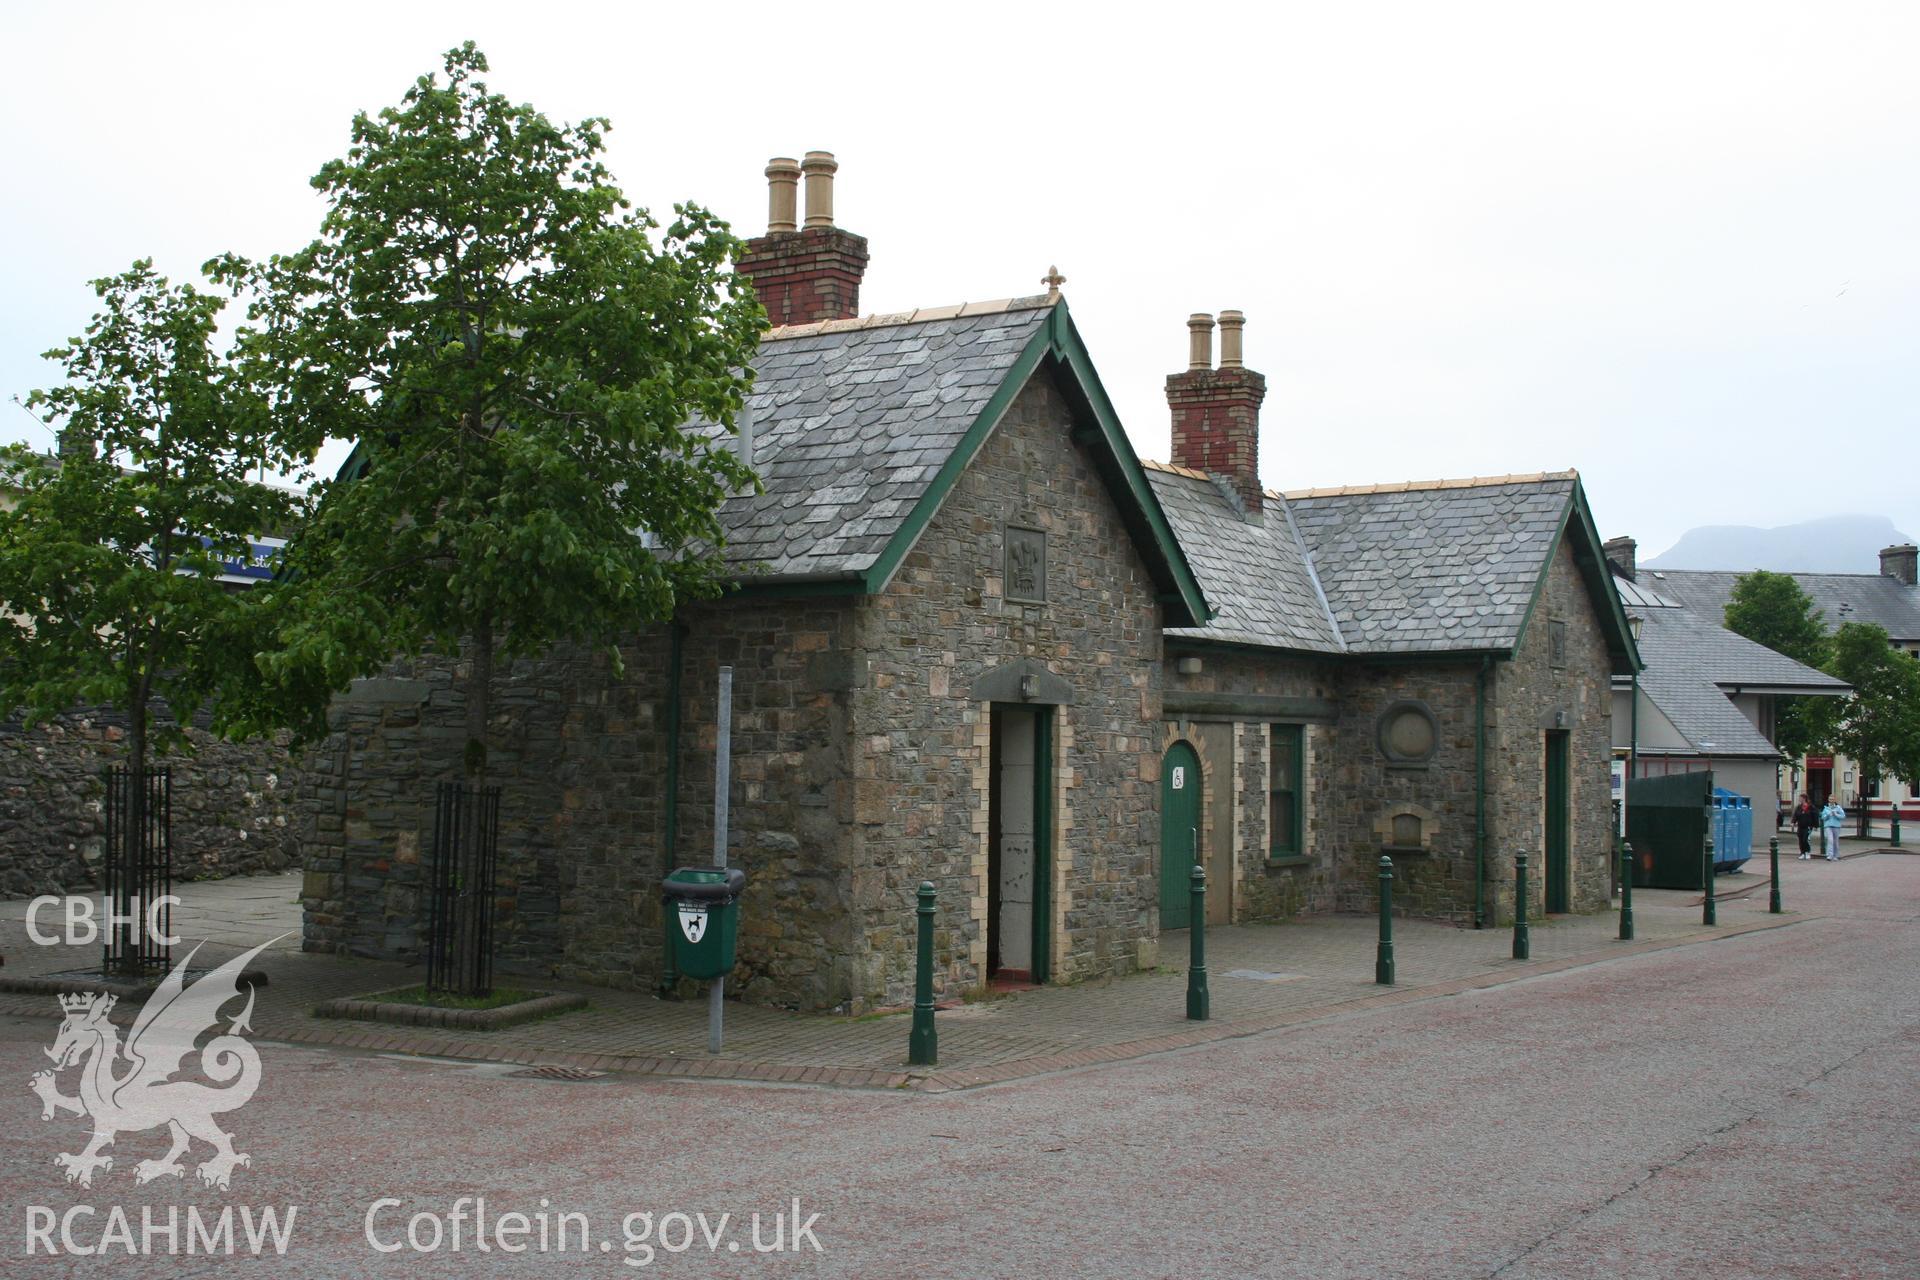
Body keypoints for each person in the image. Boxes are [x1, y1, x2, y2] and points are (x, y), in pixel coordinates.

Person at [1820, 796, 1847, 861]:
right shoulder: (1826, 808)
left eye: (1832, 799)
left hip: (1836, 826)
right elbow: (1822, 817)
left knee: (1835, 841)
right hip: (1828, 826)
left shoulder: (1838, 808)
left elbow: (1843, 816)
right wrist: (1828, 815)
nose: (1831, 800)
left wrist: (1836, 814)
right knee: (1830, 840)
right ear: (1828, 800)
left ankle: (1836, 855)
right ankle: (1829, 855)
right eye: (1830, 799)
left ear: (1835, 800)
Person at [1792, 794, 1817, 859]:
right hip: (1800, 826)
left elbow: (1814, 816)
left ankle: (1807, 852)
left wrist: (1815, 825)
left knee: (1805, 839)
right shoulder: (1799, 807)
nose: (1799, 799)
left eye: (1801, 798)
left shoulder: (1811, 807)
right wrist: (1793, 822)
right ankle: (1802, 852)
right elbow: (1795, 815)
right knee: (1800, 839)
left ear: (1804, 798)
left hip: (1808, 826)